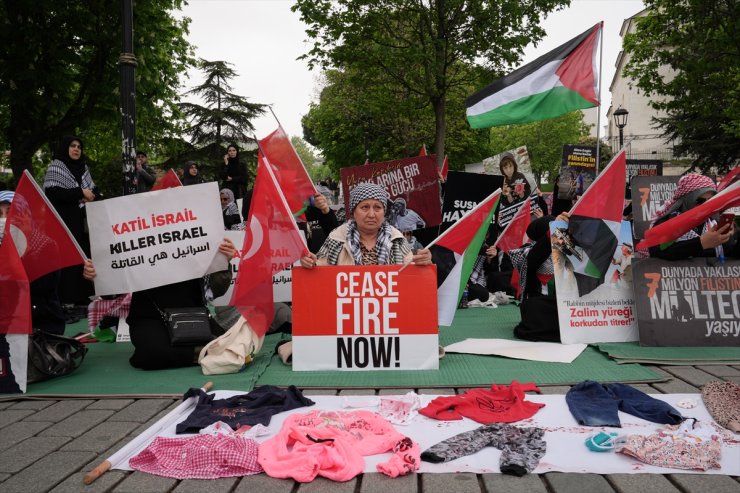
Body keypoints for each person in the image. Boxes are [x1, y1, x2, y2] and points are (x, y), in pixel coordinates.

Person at [83, 238, 237, 370]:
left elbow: (214, 291)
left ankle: (201, 352)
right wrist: (98, 277)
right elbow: (112, 294)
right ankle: (203, 353)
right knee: (152, 354)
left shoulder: (196, 236)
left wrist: (222, 262)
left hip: (192, 313)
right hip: (149, 316)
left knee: (233, 345)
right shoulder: (128, 239)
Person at [300, 182, 432, 267]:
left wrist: (424, 262)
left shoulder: (397, 240)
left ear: (384, 212)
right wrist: (310, 263)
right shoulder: (336, 239)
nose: (371, 214)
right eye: (364, 207)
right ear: (353, 212)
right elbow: (319, 270)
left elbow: (412, 275)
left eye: (377, 208)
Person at [43, 135, 99, 307]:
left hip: (83, 221)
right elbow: (53, 193)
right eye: (72, 146)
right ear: (65, 148)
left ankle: (82, 295)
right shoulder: (56, 167)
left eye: (79, 147)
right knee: (69, 257)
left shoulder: (83, 168)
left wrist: (93, 195)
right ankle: (67, 297)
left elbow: (93, 190)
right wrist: (80, 193)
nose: (76, 149)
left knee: (84, 256)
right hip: (65, 221)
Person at [0, 192, 67, 334]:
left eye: (10, 212)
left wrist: (23, 251)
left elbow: (44, 285)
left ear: (25, 215)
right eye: (0, 214)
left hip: (40, 324)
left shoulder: (46, 245)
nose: (5, 219)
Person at [648, 173, 737, 260]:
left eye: (710, 201)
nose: (705, 206)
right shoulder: (668, 223)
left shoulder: (713, 223)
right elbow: (658, 251)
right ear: (687, 201)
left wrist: (729, 237)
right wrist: (701, 243)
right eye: (699, 201)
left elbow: (730, 252)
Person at [509, 215, 560, 342]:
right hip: (539, 307)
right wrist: (551, 234)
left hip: (561, 305)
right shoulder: (524, 252)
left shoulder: (565, 253)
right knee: (532, 306)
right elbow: (534, 258)